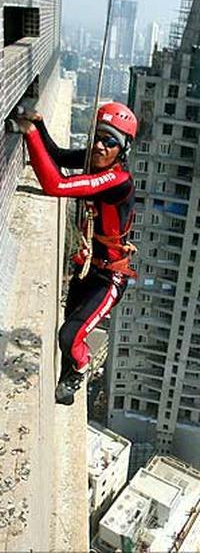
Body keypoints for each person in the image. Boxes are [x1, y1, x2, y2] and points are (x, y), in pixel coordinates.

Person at [16, 102, 138, 405]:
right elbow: (57, 156)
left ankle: (81, 368)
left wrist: (29, 133)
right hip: (88, 268)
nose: (99, 146)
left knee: (69, 337)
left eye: (109, 142)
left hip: (110, 277)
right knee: (68, 335)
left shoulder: (117, 181)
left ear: (122, 149)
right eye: (97, 137)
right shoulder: (94, 162)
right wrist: (39, 123)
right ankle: (67, 380)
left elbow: (56, 185)